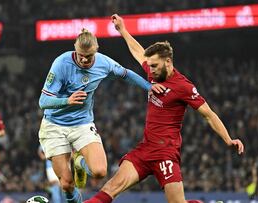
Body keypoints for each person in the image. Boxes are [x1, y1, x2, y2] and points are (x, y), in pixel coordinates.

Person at [83, 14, 245, 203]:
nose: (150, 70)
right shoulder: (154, 74)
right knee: (110, 188)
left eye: (154, 66)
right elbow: (138, 52)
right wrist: (123, 30)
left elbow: (208, 115)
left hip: (165, 154)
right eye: (149, 66)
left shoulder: (183, 86)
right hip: (145, 150)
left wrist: (228, 139)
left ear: (168, 62)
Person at [38, 28, 165, 203]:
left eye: (88, 56)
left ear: (96, 51)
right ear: (75, 49)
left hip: (82, 123)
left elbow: (126, 74)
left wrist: (149, 87)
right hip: (54, 125)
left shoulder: (104, 63)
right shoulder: (61, 63)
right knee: (67, 183)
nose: (83, 59)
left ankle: (78, 162)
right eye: (80, 55)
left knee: (99, 171)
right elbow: (43, 101)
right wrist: (67, 101)